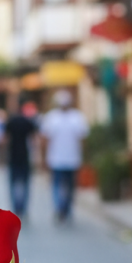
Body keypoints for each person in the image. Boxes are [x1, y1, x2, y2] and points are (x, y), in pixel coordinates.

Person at [40, 89, 89, 223]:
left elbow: (82, 139)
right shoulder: (54, 117)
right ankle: (61, 208)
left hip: (71, 159)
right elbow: (45, 139)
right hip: (57, 159)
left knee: (67, 186)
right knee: (60, 185)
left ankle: (64, 208)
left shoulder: (76, 117)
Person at [5, 102, 38, 218]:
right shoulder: (27, 122)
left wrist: (1, 156)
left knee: (13, 184)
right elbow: (34, 139)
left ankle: (16, 207)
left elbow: (5, 139)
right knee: (25, 184)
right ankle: (23, 207)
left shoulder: (11, 122)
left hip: (13, 156)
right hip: (25, 156)